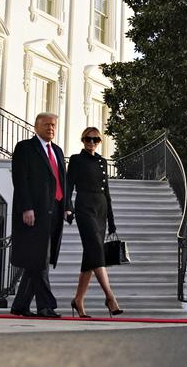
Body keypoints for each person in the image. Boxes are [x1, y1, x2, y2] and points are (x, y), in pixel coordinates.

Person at [9, 112, 71, 317]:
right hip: (35, 212)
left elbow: (63, 181)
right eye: (46, 124)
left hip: (55, 211)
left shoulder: (59, 151)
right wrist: (26, 208)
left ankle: (20, 305)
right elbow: (20, 180)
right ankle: (46, 306)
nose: (51, 128)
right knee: (39, 259)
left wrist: (67, 206)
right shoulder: (25, 148)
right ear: (36, 127)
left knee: (36, 260)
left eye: (53, 125)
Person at [65, 127, 123, 317]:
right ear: (83, 140)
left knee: (90, 257)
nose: (91, 142)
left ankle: (78, 300)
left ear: (100, 141)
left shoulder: (102, 162)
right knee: (96, 250)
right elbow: (68, 185)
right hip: (84, 208)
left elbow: (107, 192)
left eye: (95, 140)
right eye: (88, 139)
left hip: (101, 209)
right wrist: (68, 206)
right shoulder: (76, 159)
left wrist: (111, 219)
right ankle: (109, 296)